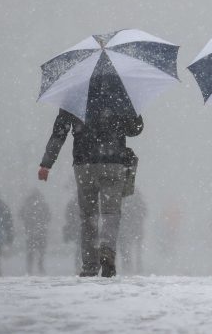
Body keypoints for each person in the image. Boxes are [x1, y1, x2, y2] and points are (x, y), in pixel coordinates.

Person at [38, 73, 144, 277]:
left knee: (88, 215)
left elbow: (60, 131)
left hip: (84, 162)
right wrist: (133, 110)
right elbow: (135, 129)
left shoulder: (73, 93)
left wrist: (46, 164)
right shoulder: (120, 93)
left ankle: (89, 264)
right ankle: (107, 250)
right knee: (111, 212)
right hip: (113, 162)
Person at [19, 188, 51, 275]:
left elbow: (21, 215)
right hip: (40, 231)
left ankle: (30, 268)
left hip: (31, 231)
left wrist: (29, 223)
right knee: (40, 251)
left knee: (31, 251)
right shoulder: (43, 205)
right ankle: (39, 267)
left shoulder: (28, 205)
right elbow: (48, 217)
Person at [118, 191, 147, 275]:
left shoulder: (124, 202)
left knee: (126, 248)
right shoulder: (139, 202)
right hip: (135, 230)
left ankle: (128, 266)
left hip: (127, 230)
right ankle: (137, 266)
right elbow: (144, 213)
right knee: (135, 249)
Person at [62, 195, 81, 273]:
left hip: (77, 228)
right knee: (82, 247)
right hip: (81, 228)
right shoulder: (83, 201)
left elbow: (68, 215)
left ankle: (78, 266)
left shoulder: (72, 203)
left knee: (79, 248)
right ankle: (80, 265)